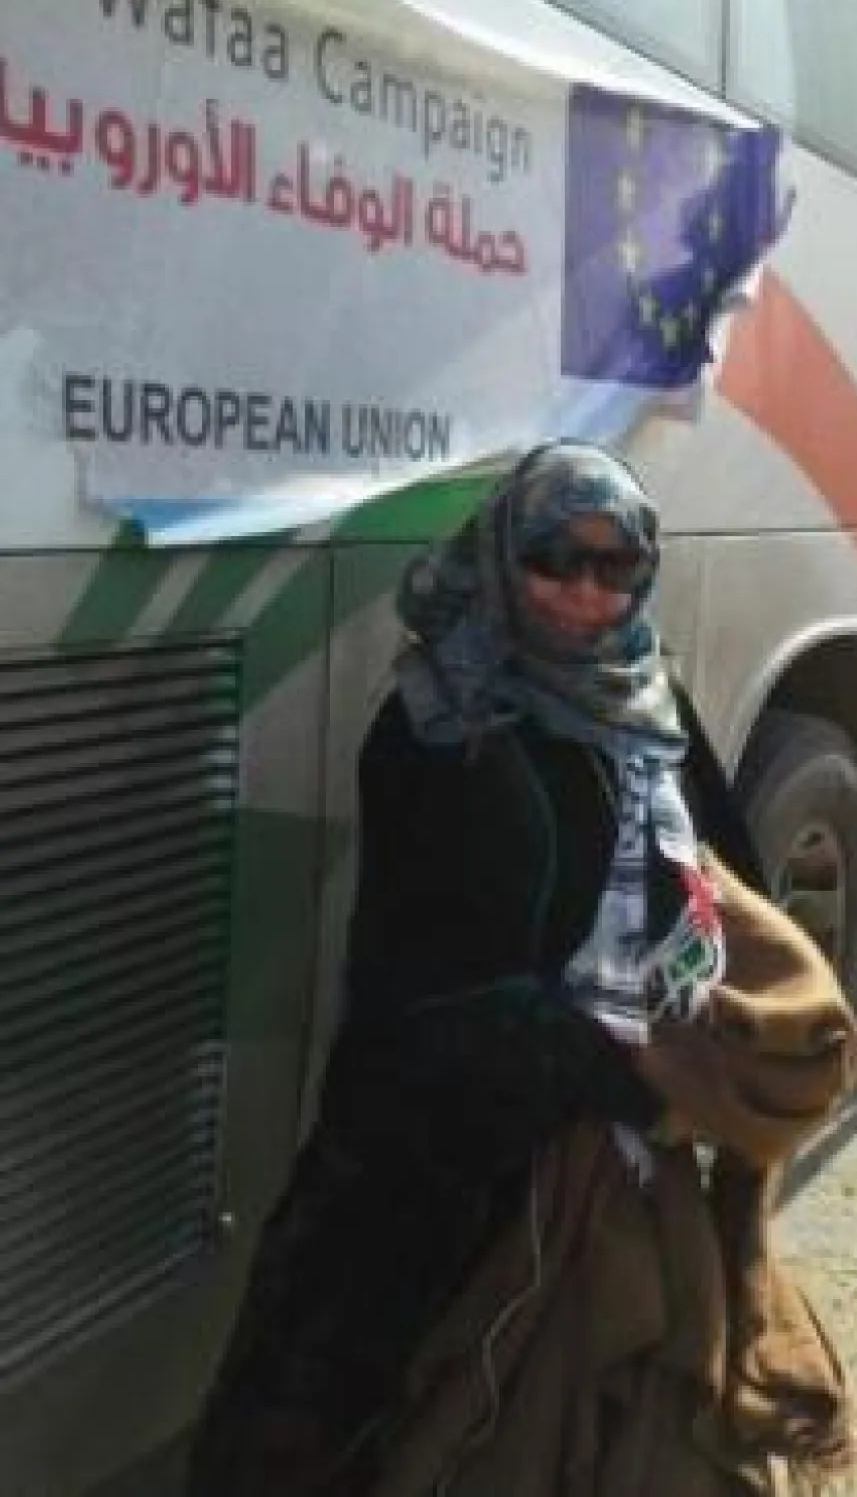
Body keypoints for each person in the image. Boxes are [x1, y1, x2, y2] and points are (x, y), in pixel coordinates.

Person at [185, 440, 784, 1497]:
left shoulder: (651, 701)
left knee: (595, 1430)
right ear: (505, 555)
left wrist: (743, 1031)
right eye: (557, 559)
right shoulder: (438, 727)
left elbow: (729, 879)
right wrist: (632, 1077)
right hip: (432, 1172)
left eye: (617, 566)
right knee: (371, 1434)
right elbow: (425, 997)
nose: (587, 594)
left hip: (615, 1161)